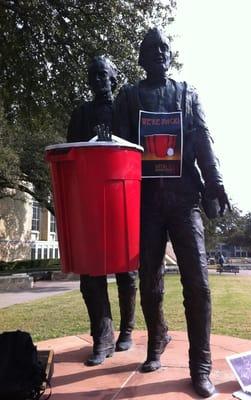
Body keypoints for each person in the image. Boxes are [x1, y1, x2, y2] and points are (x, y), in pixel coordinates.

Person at [113, 28, 230, 398]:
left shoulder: (186, 94)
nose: (159, 54)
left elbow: (202, 139)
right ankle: (157, 337)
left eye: (164, 48)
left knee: (198, 283)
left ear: (169, 54)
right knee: (149, 282)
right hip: (146, 201)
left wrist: (215, 181)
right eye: (152, 49)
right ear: (142, 58)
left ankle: (201, 363)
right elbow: (117, 147)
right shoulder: (129, 97)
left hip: (183, 200)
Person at [67, 55, 137, 366]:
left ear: (113, 77)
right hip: (91, 203)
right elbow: (71, 154)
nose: (98, 80)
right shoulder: (80, 113)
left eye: (103, 74)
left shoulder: (125, 111)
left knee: (126, 272)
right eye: (93, 75)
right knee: (90, 275)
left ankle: (127, 330)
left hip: (121, 198)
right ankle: (102, 336)